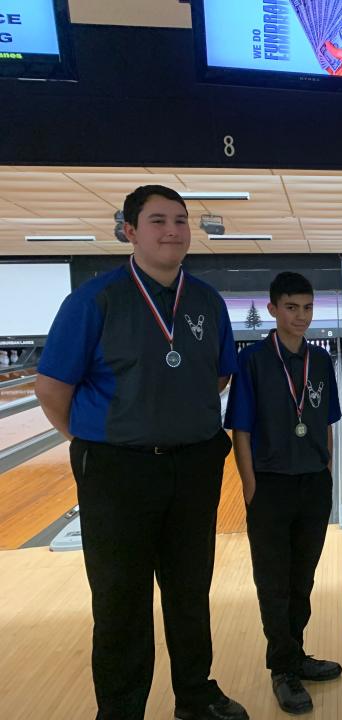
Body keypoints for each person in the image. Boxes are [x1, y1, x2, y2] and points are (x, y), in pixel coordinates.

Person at [35, 185, 247, 720]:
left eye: (180, 220)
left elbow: (219, 374)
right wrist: (101, 444)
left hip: (193, 464)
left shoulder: (206, 301)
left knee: (189, 591)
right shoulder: (94, 300)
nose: (172, 230)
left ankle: (194, 697)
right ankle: (122, 710)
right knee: (120, 601)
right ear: (129, 231)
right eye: (158, 221)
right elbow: (52, 389)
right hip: (116, 472)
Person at [225, 272, 342, 715]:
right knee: (274, 582)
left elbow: (327, 423)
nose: (301, 316)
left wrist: (326, 471)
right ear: (273, 309)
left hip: (313, 482)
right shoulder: (253, 360)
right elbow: (242, 428)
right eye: (291, 307)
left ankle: (296, 654)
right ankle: (282, 669)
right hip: (270, 484)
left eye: (307, 308)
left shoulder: (322, 361)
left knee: (303, 579)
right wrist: (250, 485)